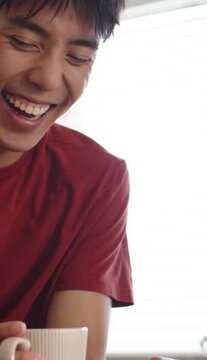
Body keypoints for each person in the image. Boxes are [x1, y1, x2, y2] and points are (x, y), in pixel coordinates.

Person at [0, 1, 131, 359]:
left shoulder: (95, 179)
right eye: (23, 42)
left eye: (77, 57)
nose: (48, 78)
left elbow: (75, 351)